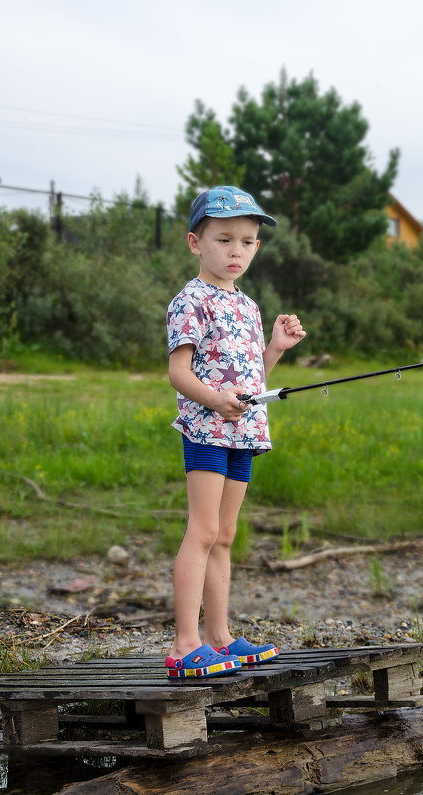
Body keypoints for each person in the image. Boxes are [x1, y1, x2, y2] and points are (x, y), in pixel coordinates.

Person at [164, 186, 306, 679]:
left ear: (256, 249)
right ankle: (186, 645)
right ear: (195, 243)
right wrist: (212, 398)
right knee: (201, 532)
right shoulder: (191, 301)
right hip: (206, 429)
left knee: (225, 536)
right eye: (224, 239)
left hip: (244, 433)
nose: (235, 251)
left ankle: (219, 638)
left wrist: (276, 349)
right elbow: (179, 374)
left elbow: (252, 380)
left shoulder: (247, 306)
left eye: (246, 242)